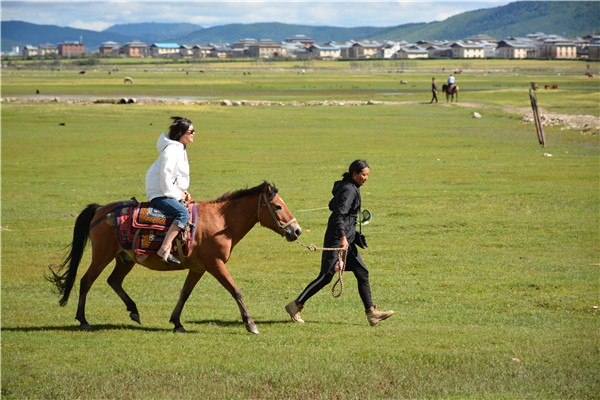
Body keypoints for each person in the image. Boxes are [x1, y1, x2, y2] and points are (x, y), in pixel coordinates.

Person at [285, 160, 394, 326]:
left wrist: (351, 234)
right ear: (354, 174)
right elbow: (338, 215)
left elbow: (332, 205)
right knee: (326, 276)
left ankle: (371, 313)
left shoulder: (348, 187)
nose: (366, 178)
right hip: (338, 238)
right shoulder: (349, 190)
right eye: (363, 175)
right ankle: (295, 305)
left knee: (362, 272)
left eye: (367, 175)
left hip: (347, 239)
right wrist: (343, 236)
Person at [145, 116, 195, 264]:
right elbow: (166, 176)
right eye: (191, 131)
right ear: (181, 133)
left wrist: (182, 192)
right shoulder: (172, 150)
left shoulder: (178, 148)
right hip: (160, 193)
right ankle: (164, 249)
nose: (194, 134)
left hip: (165, 191)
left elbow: (176, 175)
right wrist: (176, 194)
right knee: (183, 213)